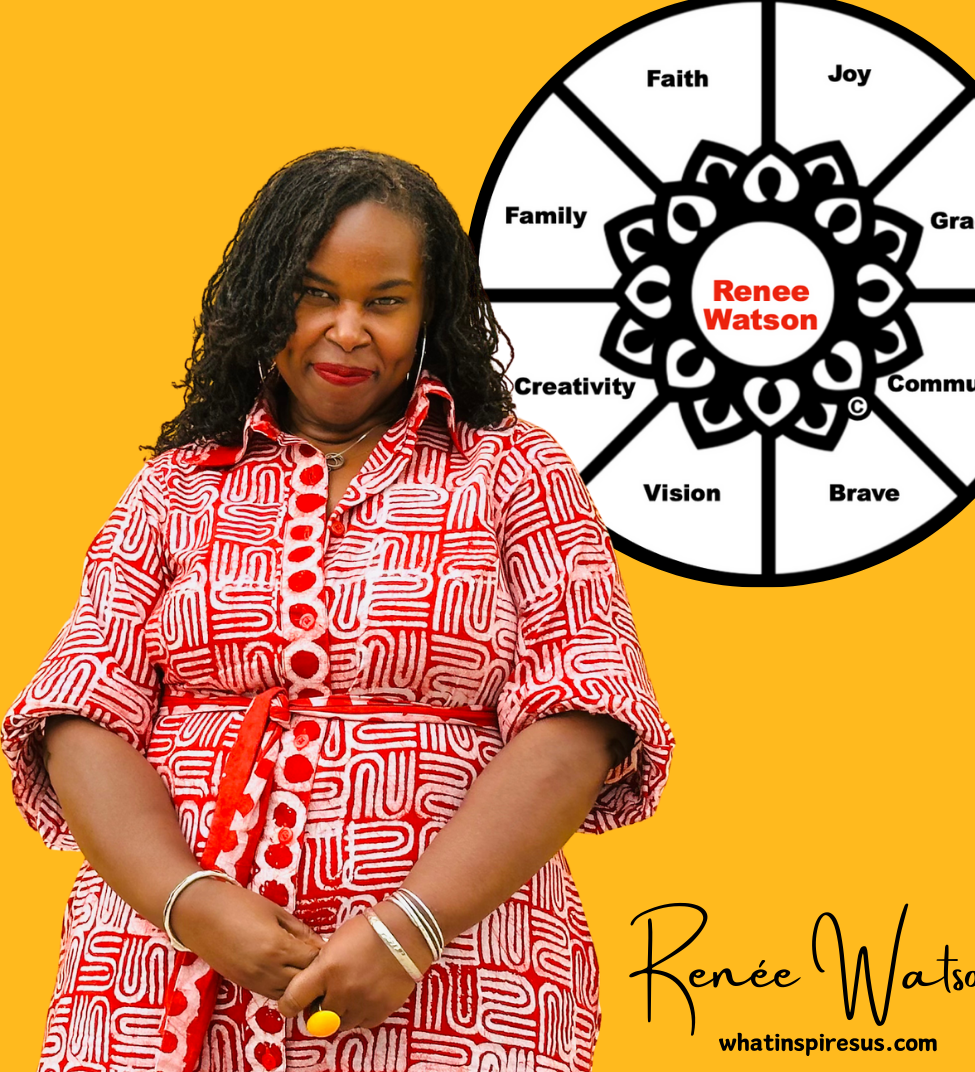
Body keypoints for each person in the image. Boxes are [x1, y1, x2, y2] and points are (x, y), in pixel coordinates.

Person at [4, 148, 673, 1072]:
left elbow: (582, 714)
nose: (347, 330)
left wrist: (411, 930)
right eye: (314, 294)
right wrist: (190, 902)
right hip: (158, 976)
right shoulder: (177, 486)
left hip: (457, 985)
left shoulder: (513, 472)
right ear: (262, 301)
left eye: (385, 301)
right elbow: (80, 712)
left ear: (431, 313)